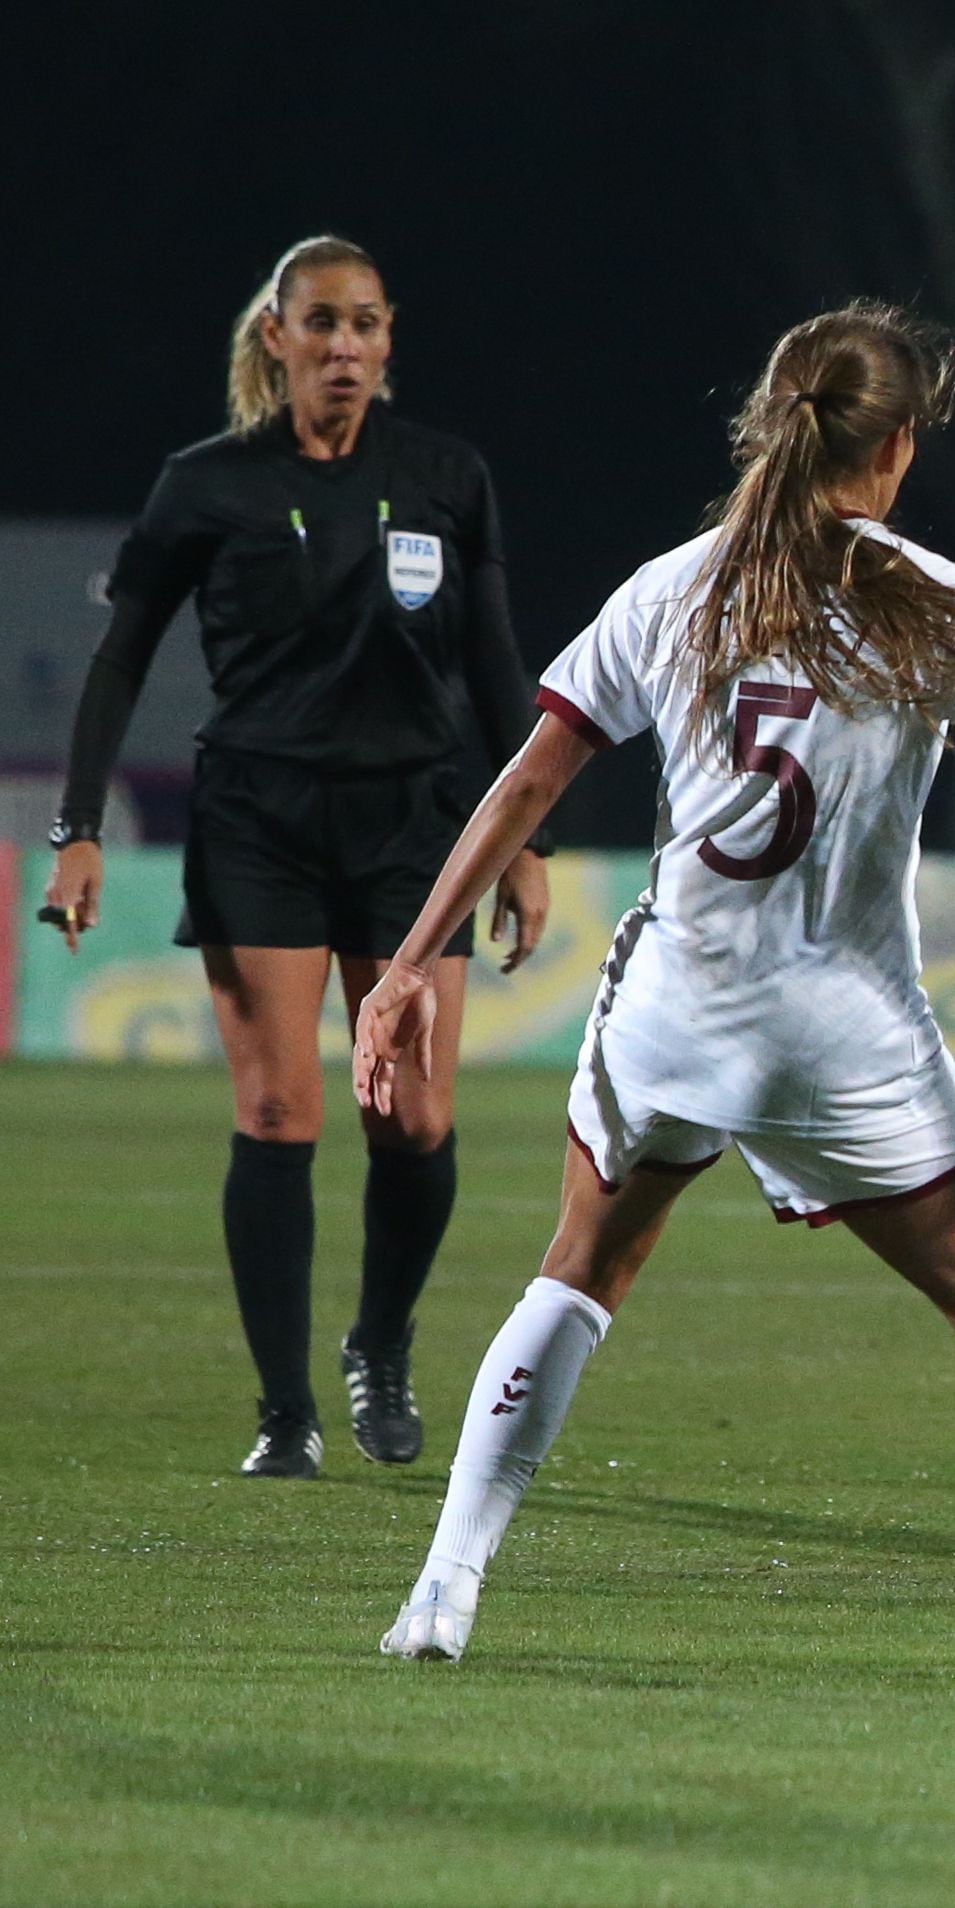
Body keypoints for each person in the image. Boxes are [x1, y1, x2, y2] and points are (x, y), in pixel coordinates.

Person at [356, 301, 955, 1681]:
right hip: (847, 1030)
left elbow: (531, 775)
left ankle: (440, 1597)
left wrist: (410, 964)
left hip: (682, 1008)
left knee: (581, 1268)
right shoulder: (941, 603)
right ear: (893, 446)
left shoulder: (675, 586)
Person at [41, 235, 550, 1479]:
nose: (345, 348)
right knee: (279, 1111)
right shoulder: (206, 484)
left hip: (414, 827)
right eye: (321, 325)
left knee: (414, 1118)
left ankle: (378, 1345)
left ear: (389, 339)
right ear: (276, 337)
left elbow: (492, 665)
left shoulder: (445, 476)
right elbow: (121, 659)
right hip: (260, 818)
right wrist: (81, 827)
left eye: (366, 325)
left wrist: (522, 841)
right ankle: (285, 1412)